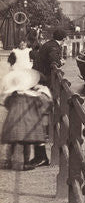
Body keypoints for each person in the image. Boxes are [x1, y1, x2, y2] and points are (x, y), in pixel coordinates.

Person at [1, 40, 51, 169]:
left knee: (12, 143)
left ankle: (8, 161)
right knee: (27, 143)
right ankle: (25, 163)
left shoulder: (14, 95)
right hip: (29, 126)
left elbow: (6, 103)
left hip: (12, 125)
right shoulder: (34, 96)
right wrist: (42, 91)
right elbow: (45, 103)